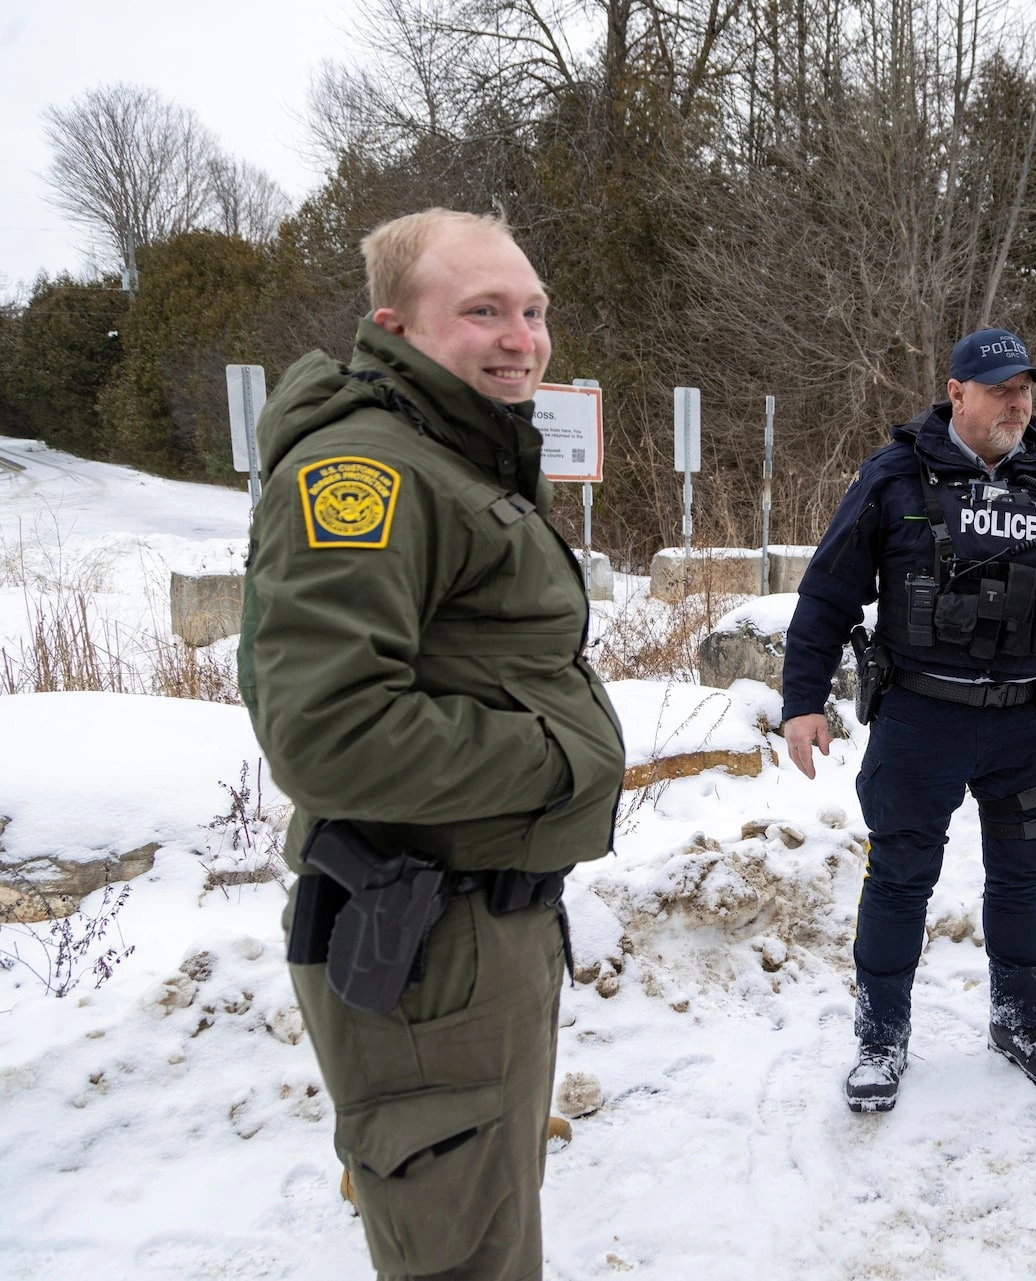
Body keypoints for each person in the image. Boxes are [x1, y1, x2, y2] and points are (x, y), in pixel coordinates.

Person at [239, 208, 626, 1281]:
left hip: (477, 928)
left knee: (487, 1228)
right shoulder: (369, 473)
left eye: (534, 310)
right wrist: (559, 762)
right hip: (426, 943)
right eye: (483, 312)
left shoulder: (455, 456)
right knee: (460, 1257)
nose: (522, 338)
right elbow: (328, 732)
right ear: (396, 325)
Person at [781, 327, 1036, 1113]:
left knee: (1023, 878)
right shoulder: (896, 478)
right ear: (957, 393)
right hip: (922, 718)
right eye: (1000, 388)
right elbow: (828, 593)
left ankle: (1020, 1021)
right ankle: (881, 1035)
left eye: (1026, 389)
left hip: (1028, 724)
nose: (1018, 402)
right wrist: (802, 699)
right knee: (900, 875)